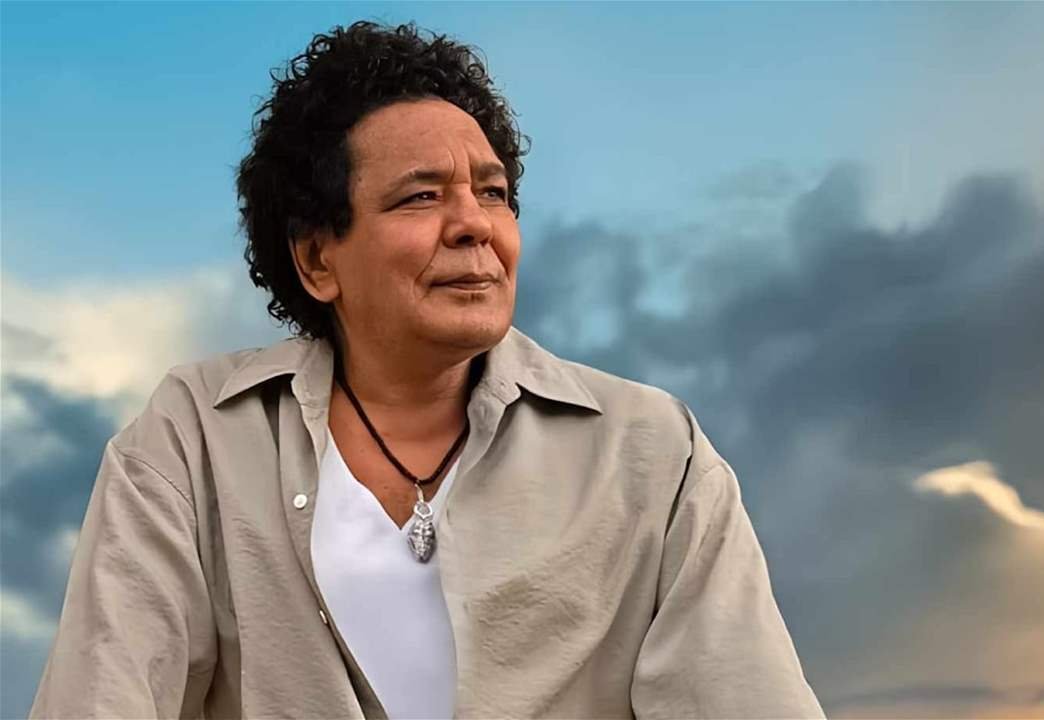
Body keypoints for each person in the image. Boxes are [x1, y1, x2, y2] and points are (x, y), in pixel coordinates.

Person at [29, 20, 825, 720]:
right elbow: (103, 695)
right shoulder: (194, 437)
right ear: (316, 258)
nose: (474, 225)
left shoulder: (654, 453)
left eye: (494, 192)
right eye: (421, 197)